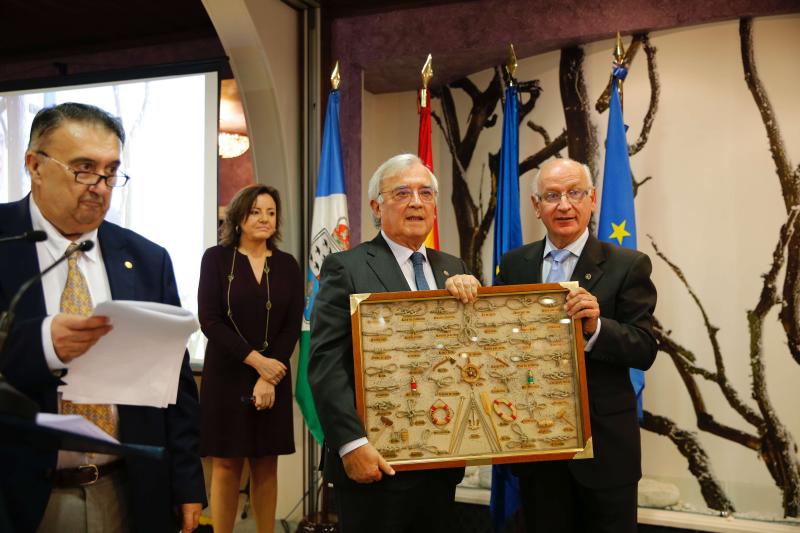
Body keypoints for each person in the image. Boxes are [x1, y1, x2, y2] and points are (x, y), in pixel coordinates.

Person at [0, 102, 206, 532]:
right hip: (18, 495)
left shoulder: (147, 260)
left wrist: (187, 483)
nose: (100, 185)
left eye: (111, 172)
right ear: (35, 166)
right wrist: (42, 344)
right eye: (83, 169)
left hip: (127, 491)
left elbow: (176, 386)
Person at [308, 154, 480, 532]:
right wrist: (350, 444)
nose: (416, 201)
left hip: (440, 459)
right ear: (376, 206)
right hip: (374, 461)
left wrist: (473, 308)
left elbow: (472, 357)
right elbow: (325, 364)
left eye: (425, 193)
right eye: (402, 192)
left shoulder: (454, 268)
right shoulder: (347, 267)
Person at [495, 157, 657, 533]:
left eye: (574, 193)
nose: (564, 204)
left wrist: (597, 328)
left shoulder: (628, 264)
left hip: (605, 451)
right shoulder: (514, 264)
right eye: (551, 196)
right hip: (537, 447)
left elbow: (645, 347)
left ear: (593, 199)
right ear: (536, 207)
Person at [198, 184, 303, 533]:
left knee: (265, 464)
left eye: (271, 212)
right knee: (226, 464)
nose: (264, 219)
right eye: (256, 211)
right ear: (239, 216)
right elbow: (210, 320)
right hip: (226, 374)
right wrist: (258, 363)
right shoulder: (215, 258)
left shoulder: (288, 265)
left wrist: (268, 375)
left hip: (273, 375)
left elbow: (291, 327)